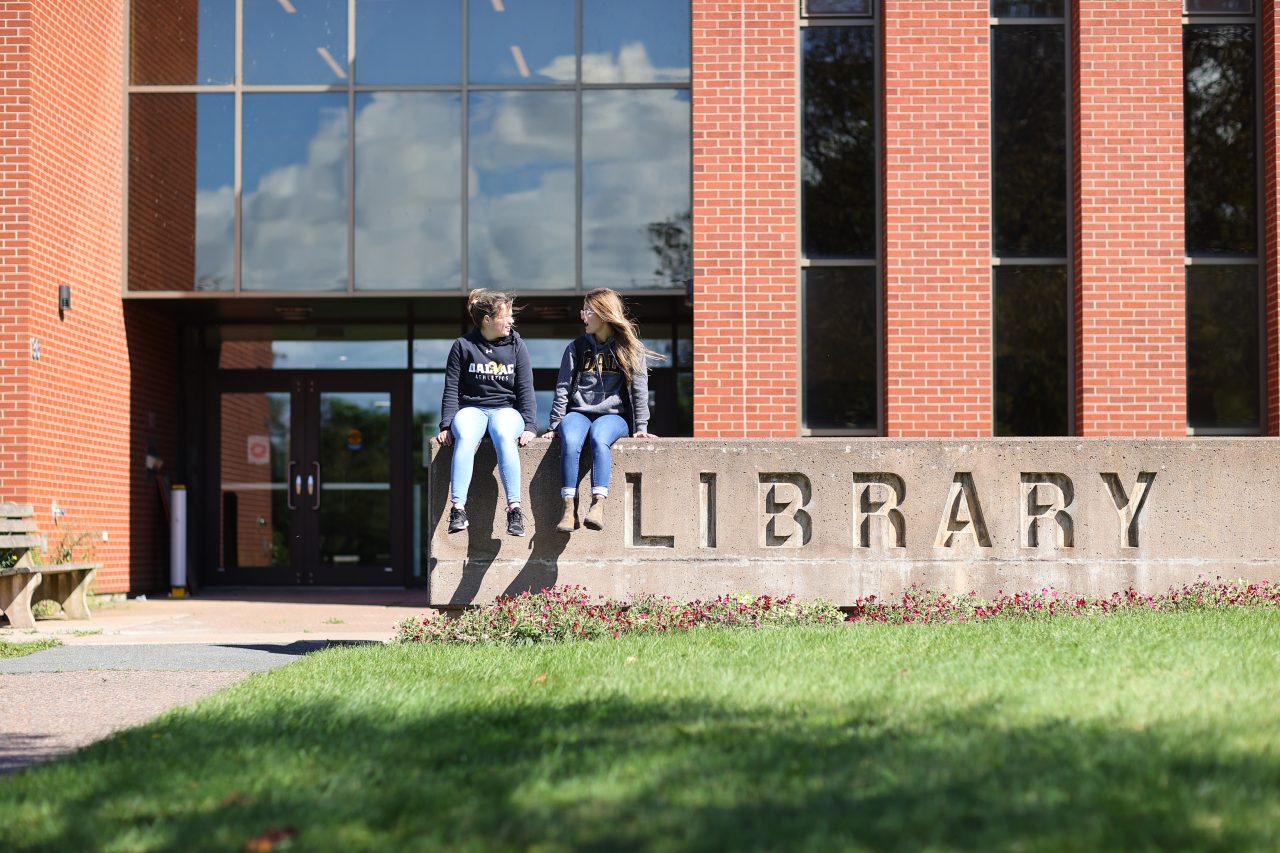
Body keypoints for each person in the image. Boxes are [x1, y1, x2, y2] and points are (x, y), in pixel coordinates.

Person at [544, 288, 658, 532]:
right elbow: (563, 387)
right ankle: (568, 507)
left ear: (603, 314)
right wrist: (555, 425)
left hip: (614, 416)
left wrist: (641, 428)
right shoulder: (576, 347)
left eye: (587, 311)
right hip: (578, 412)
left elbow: (639, 391)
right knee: (572, 438)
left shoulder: (630, 348)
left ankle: (598, 504)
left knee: (599, 437)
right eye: (583, 311)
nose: (583, 317)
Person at [436, 289, 536, 537]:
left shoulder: (517, 346)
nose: (511, 321)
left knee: (503, 435)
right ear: (487, 320)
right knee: (467, 437)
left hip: (506, 410)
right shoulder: (463, 346)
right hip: (472, 409)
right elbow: (452, 388)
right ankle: (458, 509)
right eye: (506, 316)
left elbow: (525, 389)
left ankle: (514, 509)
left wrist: (530, 426)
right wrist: (447, 424)